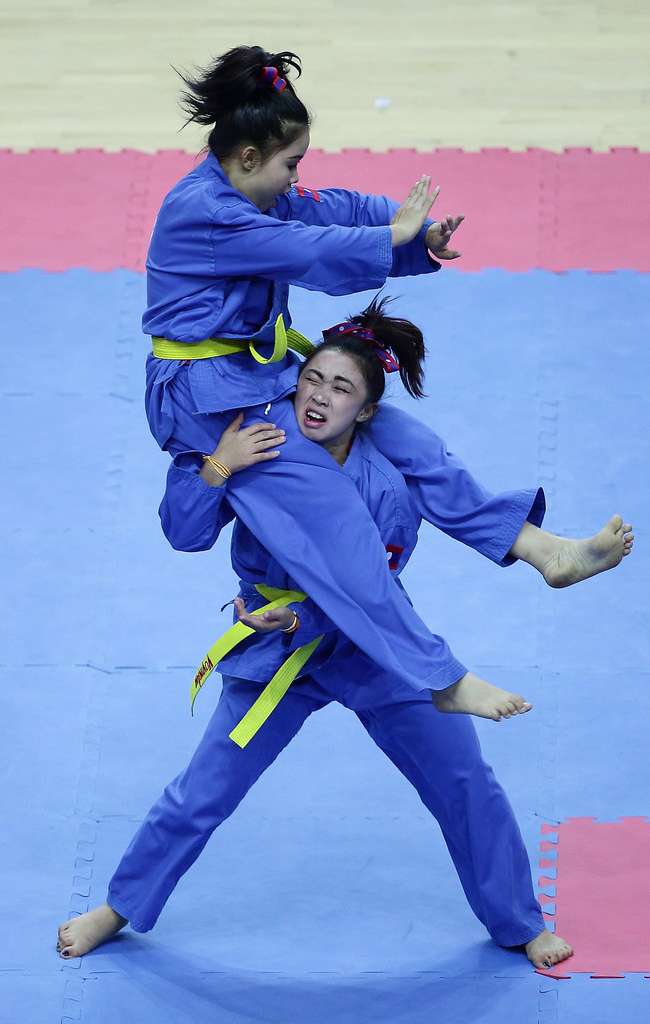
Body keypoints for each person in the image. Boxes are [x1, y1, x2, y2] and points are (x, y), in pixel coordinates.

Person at [58, 300, 631, 966]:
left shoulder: (393, 465)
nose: (318, 396)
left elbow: (365, 588)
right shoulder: (261, 442)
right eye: (311, 379)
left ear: (365, 411)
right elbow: (184, 534)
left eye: (340, 388)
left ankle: (519, 922)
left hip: (379, 648)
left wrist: (305, 616)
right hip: (277, 651)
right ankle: (118, 908)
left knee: (466, 781)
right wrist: (218, 463)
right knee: (203, 791)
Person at [142, 42, 520, 716]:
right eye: (290, 164)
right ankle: (440, 678)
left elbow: (326, 209)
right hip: (205, 396)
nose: (297, 178)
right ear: (249, 157)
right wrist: (392, 238)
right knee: (340, 519)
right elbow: (305, 249)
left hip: (253, 375)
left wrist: (415, 236)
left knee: (397, 433)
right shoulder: (209, 213)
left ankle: (533, 545)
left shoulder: (247, 187)